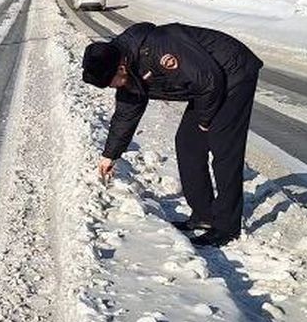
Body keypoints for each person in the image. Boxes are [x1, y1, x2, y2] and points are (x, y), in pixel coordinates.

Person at [82, 22, 263, 247]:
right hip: (207, 85)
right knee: (187, 143)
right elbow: (125, 114)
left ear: (120, 67)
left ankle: (227, 226)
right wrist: (110, 155)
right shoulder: (128, 67)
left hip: (232, 72)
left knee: (223, 147)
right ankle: (204, 215)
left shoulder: (157, 49)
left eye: (111, 83)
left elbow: (209, 79)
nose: (114, 87)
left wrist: (206, 121)